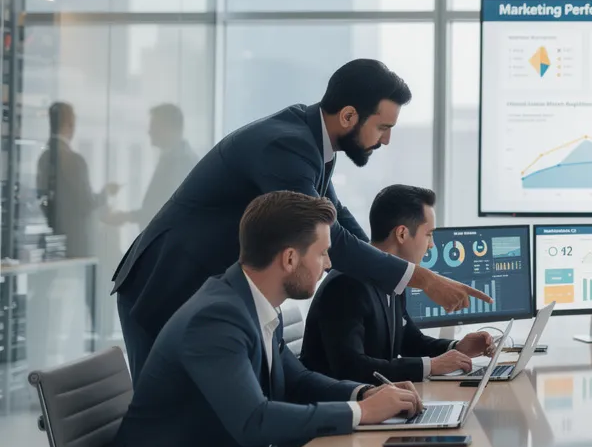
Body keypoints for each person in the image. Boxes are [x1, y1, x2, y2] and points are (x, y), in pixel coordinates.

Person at [103, 191, 428, 447]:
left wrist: (364, 394)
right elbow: (253, 421)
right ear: (290, 258)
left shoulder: (247, 302)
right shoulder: (216, 319)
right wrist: (361, 413)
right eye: (322, 253)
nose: (328, 264)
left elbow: (298, 378)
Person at [111, 59, 491, 381]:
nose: (385, 140)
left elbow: (338, 220)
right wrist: (422, 278)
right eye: (383, 128)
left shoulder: (314, 146)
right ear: (348, 116)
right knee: (166, 408)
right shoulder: (287, 147)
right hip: (165, 282)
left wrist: (389, 264)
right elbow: (328, 238)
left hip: (198, 284)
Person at [302, 184, 537, 447]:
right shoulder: (347, 284)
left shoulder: (393, 283)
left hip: (377, 405)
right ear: (402, 234)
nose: (431, 245)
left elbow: (407, 337)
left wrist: (458, 346)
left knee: (465, 429)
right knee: (450, 446)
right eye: (428, 234)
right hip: (347, 418)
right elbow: (350, 366)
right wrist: (430, 366)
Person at [37, 102, 120, 258]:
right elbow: (86, 203)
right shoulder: (73, 160)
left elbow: (42, 199)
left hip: (55, 239)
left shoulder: (44, 158)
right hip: (77, 243)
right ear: (70, 124)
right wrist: (105, 193)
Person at [106, 103, 199, 229]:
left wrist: (128, 217)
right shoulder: (172, 158)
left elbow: (164, 210)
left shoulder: (182, 162)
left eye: (154, 126)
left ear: (170, 128)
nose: (149, 131)